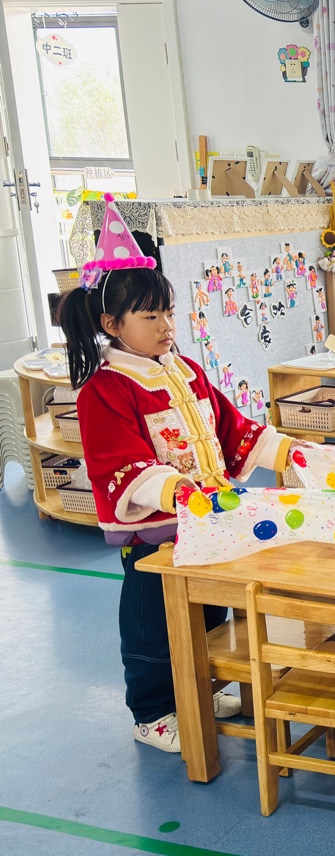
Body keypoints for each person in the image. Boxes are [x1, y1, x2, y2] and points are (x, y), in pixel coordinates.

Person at [59, 197, 296, 755]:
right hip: (157, 536)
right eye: (151, 317)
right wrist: (176, 489)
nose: (167, 326)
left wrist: (286, 451)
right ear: (111, 325)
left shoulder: (184, 370)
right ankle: (151, 712)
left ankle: (200, 691)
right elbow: (121, 462)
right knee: (153, 625)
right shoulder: (105, 389)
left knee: (209, 615)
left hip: (209, 522)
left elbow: (230, 426)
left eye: (168, 312)